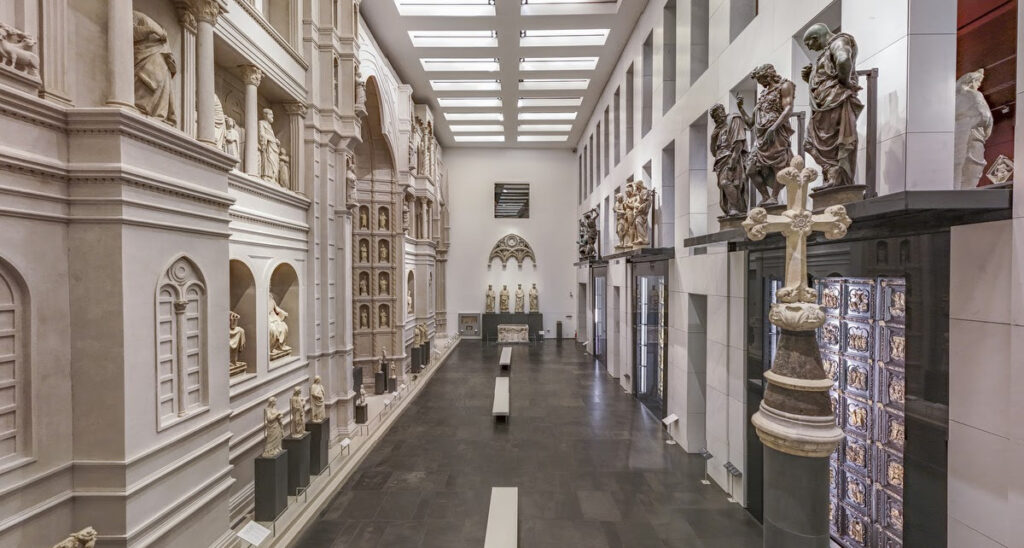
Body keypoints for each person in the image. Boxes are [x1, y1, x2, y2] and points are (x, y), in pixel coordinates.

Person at [802, 23, 863, 189]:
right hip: (825, 103)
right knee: (812, 143)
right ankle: (832, 172)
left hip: (834, 100)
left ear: (815, 38)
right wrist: (811, 76)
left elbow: (843, 59)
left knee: (819, 142)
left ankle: (835, 173)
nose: (811, 48)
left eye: (810, 44)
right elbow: (828, 73)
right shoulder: (827, 50)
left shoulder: (839, 41)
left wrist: (845, 82)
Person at [737, 64, 794, 205]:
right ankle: (765, 196)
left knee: (778, 167)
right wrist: (741, 109)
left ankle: (774, 196)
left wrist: (773, 128)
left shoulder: (785, 86)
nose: (760, 84)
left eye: (760, 79)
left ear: (768, 75)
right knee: (750, 170)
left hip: (776, 133)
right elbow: (751, 123)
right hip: (761, 137)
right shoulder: (763, 95)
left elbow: (788, 109)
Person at [132, 11, 177, 124]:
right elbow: (131, 32)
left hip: (162, 63)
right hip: (146, 59)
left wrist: (170, 60)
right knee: (146, 83)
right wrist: (151, 29)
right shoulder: (135, 15)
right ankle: (142, 107)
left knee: (163, 86)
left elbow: (167, 49)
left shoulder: (162, 27)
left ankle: (160, 114)